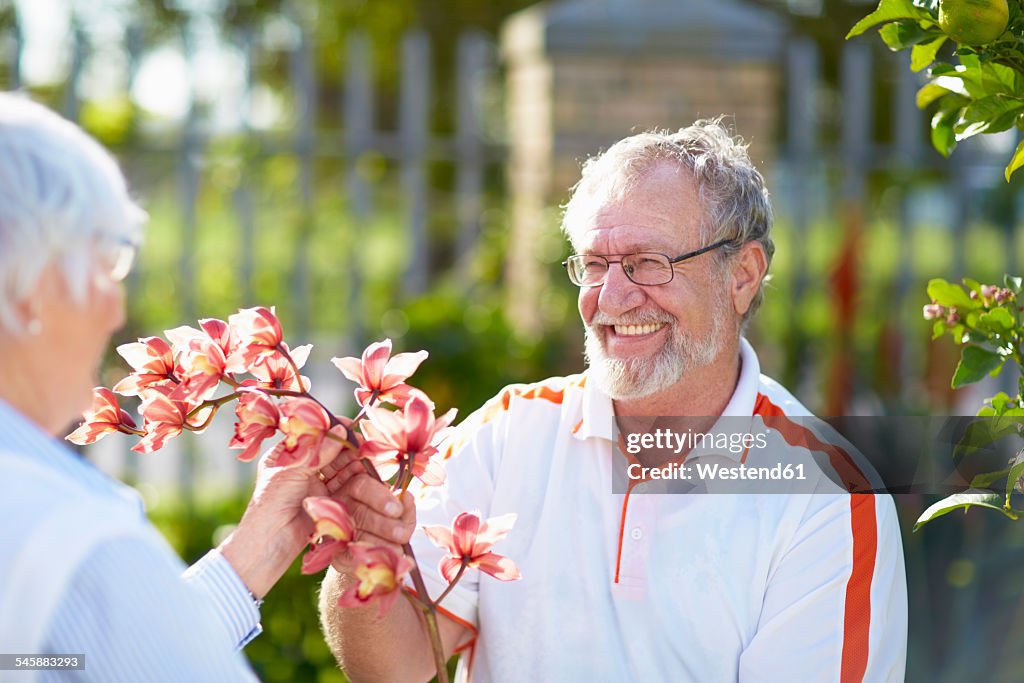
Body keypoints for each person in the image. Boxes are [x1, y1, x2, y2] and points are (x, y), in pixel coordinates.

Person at [318, 121, 908, 682]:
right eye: (596, 265)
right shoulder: (509, 432)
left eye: (649, 263)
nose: (614, 297)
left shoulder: (828, 496)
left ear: (742, 275)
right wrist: (358, 550)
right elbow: (393, 668)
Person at [0, 92, 335, 681]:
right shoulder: (69, 537)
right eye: (108, 262)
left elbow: (61, 660)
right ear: (29, 286)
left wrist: (259, 548)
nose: (116, 308)